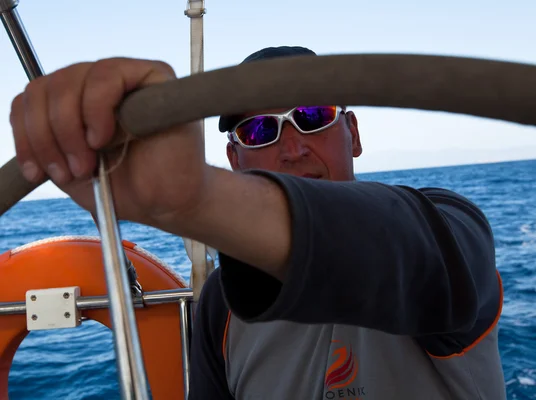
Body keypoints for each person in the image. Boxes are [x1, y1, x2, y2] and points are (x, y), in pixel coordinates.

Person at [9, 45, 505, 399]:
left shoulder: (449, 228)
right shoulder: (221, 303)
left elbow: (421, 253)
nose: (292, 148)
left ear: (351, 132)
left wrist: (194, 199)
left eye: (313, 113)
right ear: (235, 157)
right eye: (261, 129)